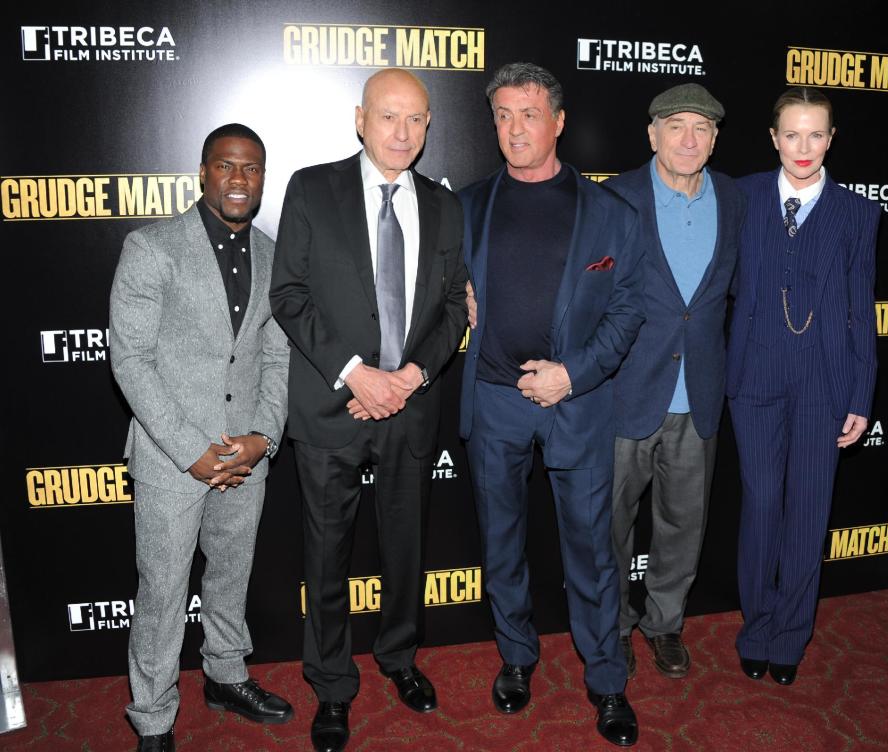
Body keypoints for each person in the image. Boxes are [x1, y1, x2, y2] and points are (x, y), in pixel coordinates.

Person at [270, 68, 467, 752]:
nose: (402, 132)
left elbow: (451, 309)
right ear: (360, 119)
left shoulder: (446, 208)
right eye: (388, 117)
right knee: (326, 556)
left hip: (411, 407)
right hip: (332, 409)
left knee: (406, 544)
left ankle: (399, 656)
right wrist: (357, 376)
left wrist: (409, 376)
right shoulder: (311, 188)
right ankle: (331, 685)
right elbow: (289, 295)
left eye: (416, 119)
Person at [459, 62, 643, 748]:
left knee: (592, 550)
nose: (515, 128)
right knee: (501, 542)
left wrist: (573, 374)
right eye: (503, 115)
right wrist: (459, 308)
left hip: (577, 402)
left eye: (529, 114)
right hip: (496, 400)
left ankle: (607, 679)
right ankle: (515, 658)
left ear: (559, 122)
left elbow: (627, 313)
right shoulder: (469, 204)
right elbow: (442, 290)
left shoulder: (610, 214)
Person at [110, 123, 292, 752]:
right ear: (204, 173)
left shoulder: (274, 257)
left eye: (252, 169)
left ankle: (226, 675)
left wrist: (261, 437)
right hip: (171, 460)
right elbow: (130, 359)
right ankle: (154, 717)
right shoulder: (152, 247)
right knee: (161, 592)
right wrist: (193, 452)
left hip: (246, 456)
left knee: (230, 579)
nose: (239, 179)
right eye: (227, 166)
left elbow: (276, 359)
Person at [727, 86, 880, 686]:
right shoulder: (741, 197)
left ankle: (791, 636)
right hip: (755, 377)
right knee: (761, 509)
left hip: (825, 380)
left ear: (832, 139)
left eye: (816, 134)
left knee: (809, 514)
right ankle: (755, 628)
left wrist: (861, 395)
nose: (803, 147)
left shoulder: (858, 213)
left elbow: (862, 309)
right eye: (792, 133)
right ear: (773, 138)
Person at [602, 83, 745, 680]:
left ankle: (664, 625)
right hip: (624, 393)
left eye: (702, 128)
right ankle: (613, 627)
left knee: (683, 526)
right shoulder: (614, 199)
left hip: (701, 395)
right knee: (607, 524)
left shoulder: (737, 200)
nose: (689, 139)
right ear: (652, 133)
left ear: (714, 140)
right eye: (676, 125)